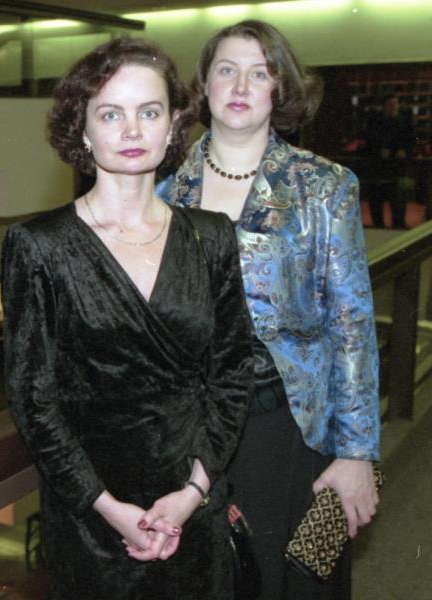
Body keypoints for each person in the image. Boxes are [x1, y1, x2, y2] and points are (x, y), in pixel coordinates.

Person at [1, 38, 253, 599]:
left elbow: (234, 369)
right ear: (83, 129)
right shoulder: (39, 246)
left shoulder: (211, 236)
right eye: (111, 114)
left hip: (194, 501)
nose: (133, 130)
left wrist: (193, 492)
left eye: (149, 112)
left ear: (173, 126)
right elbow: (33, 398)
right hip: (93, 516)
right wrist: (107, 507)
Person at [158, 20, 381, 600]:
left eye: (260, 73)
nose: (240, 85)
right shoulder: (163, 192)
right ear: (204, 85)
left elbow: (351, 324)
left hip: (290, 429)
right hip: (194, 434)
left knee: (298, 581)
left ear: (280, 90)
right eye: (227, 70)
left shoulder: (324, 186)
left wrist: (357, 453)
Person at [365, 94, 414, 228]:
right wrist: (379, 149)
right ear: (384, 106)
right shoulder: (375, 121)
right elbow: (368, 139)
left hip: (397, 166)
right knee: (376, 199)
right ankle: (378, 224)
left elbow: (411, 140)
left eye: (395, 104)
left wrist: (403, 150)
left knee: (398, 199)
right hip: (379, 167)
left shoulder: (404, 121)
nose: (393, 107)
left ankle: (398, 224)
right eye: (390, 105)